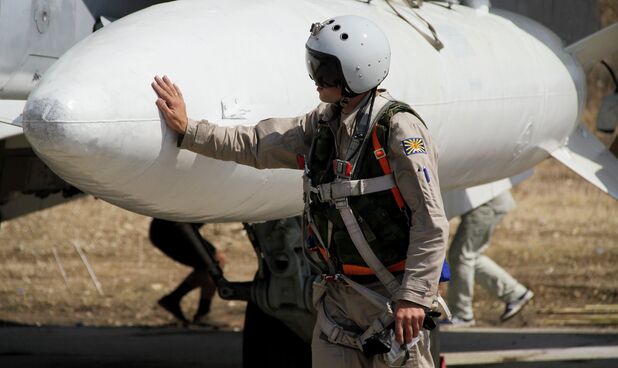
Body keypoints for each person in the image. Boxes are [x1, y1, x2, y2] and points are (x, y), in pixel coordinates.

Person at [152, 15, 448, 368]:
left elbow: (430, 222)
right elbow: (257, 144)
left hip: (392, 301)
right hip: (339, 301)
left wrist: (414, 298)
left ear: (353, 73)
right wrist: (189, 130)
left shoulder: (399, 130)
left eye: (323, 71)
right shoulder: (323, 124)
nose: (315, 79)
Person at [444, 191, 534, 327]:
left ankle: (462, 315)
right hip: (490, 201)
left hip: (487, 203)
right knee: (467, 257)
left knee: (462, 256)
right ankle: (515, 294)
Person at [149, 219, 225, 325]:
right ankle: (202, 313)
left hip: (172, 228)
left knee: (208, 265)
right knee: (214, 261)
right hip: (173, 229)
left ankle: (173, 300)